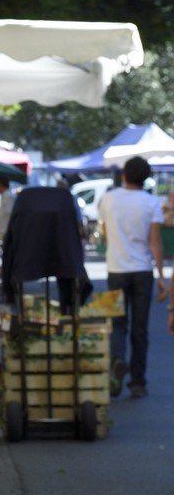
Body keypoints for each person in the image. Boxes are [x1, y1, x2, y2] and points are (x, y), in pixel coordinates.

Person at [98, 155, 166, 398]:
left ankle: (116, 361)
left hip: (116, 269)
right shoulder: (151, 203)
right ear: (146, 179)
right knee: (140, 328)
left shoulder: (108, 199)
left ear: (124, 175)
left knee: (117, 323)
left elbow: (105, 234)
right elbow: (155, 242)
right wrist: (160, 276)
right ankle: (138, 382)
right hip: (142, 271)